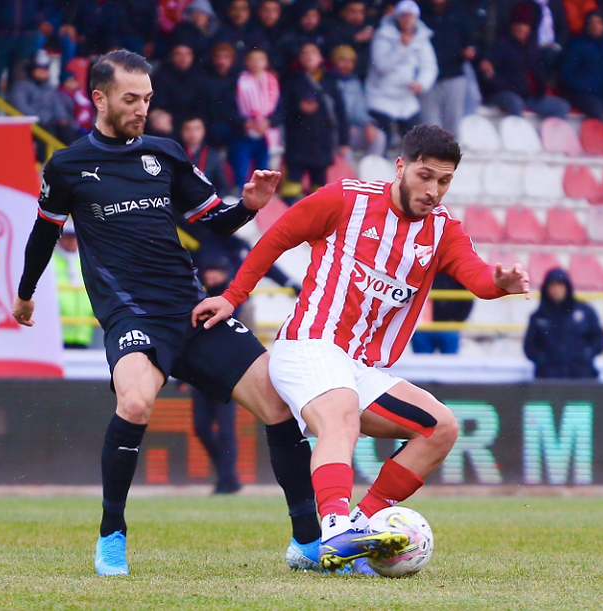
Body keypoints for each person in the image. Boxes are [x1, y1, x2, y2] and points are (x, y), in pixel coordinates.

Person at [11, 50, 323, 576]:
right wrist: (25, 293)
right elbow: (45, 232)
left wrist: (249, 204)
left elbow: (217, 223)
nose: (142, 109)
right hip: (133, 316)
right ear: (100, 99)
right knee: (134, 403)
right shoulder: (66, 165)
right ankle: (112, 535)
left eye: (148, 99)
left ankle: (308, 543)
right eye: (131, 99)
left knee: (278, 404)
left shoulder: (166, 154)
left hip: (192, 308)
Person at [192, 124, 530, 572]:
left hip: (357, 366)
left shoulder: (442, 230)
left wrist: (500, 284)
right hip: (307, 344)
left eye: (444, 181)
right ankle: (334, 528)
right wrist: (233, 297)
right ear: (401, 166)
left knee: (442, 427)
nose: (434, 190)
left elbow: (477, 276)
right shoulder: (346, 199)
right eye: (425, 176)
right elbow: (277, 237)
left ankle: (359, 524)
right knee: (341, 413)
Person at [191, 257, 242, 495]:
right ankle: (225, 473)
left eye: (216, 272)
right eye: (208, 271)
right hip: (201, 372)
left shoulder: (236, 301)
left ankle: (228, 478)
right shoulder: (197, 297)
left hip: (225, 373)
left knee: (225, 429)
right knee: (200, 426)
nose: (211, 276)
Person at [280, 43, 349, 204]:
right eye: (305, 53)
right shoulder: (291, 81)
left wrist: (344, 141)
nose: (309, 56)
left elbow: (340, 112)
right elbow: (282, 110)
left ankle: (316, 222)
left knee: (319, 187)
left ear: (320, 58)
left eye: (313, 53)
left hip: (321, 141)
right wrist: (299, 108)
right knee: (291, 186)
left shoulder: (330, 81)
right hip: (297, 140)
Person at [365, 0, 438, 150]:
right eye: (403, 16)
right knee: (384, 139)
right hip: (381, 96)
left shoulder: (422, 38)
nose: (407, 19)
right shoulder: (383, 35)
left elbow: (429, 66)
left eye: (411, 16)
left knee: (416, 140)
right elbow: (381, 66)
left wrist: (421, 83)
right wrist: (402, 47)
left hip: (406, 97)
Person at [479, 9, 571, 119]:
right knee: (515, 103)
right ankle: (517, 135)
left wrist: (540, 89)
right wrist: (490, 74)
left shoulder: (532, 47)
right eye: (518, 24)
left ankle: (545, 135)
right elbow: (487, 69)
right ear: (512, 25)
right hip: (504, 93)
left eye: (525, 24)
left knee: (561, 106)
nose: (521, 28)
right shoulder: (501, 44)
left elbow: (538, 72)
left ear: (529, 27)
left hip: (527, 96)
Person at [523, 268, 603, 378]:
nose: (556, 289)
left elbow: (599, 339)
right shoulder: (538, 317)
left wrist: (587, 354)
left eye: (560, 285)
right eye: (552, 285)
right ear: (546, 288)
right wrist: (543, 361)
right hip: (549, 378)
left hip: (582, 375)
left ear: (567, 287)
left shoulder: (585, 312)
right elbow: (530, 347)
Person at [419, 0, 478, 137]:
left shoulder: (459, 12)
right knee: (429, 127)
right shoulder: (421, 12)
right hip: (428, 78)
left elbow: (471, 44)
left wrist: (471, 51)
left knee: (452, 125)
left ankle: (450, 157)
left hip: (454, 74)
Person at [9, 54, 79, 159]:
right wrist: (45, 118)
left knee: (69, 129)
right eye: (39, 68)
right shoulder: (21, 86)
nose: (43, 71)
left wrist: (62, 118)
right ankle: (44, 162)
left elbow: (58, 105)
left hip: (51, 122)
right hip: (34, 124)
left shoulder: (49, 87)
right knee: (48, 131)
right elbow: (21, 107)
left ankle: (74, 161)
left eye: (45, 68)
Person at [560, 10, 603, 119]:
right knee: (596, 109)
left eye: (599, 22)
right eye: (591, 22)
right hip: (582, 93)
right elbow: (566, 73)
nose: (595, 26)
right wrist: (584, 86)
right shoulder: (576, 44)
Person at [232, 48, 280, 188]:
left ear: (266, 62)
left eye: (260, 59)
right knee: (242, 169)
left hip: (267, 132)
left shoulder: (272, 81)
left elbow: (280, 108)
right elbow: (229, 106)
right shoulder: (239, 80)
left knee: (265, 170)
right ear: (246, 62)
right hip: (244, 131)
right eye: (252, 59)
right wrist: (245, 122)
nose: (256, 63)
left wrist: (269, 122)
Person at [331, 45, 386, 159]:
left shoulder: (354, 82)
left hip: (351, 129)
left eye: (351, 61)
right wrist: (343, 127)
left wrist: (368, 124)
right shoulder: (328, 81)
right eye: (343, 60)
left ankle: (369, 172)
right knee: (346, 153)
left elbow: (359, 110)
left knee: (379, 137)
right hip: (333, 131)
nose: (347, 65)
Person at [52, 220, 94, 349]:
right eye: (67, 236)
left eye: (73, 237)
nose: (70, 241)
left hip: (83, 334)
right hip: (56, 334)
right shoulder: (51, 261)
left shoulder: (86, 261)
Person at [150, 44, 207, 135]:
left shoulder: (200, 77)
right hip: (171, 121)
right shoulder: (161, 76)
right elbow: (157, 104)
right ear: (172, 56)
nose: (183, 58)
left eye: (187, 54)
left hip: (194, 121)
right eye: (178, 54)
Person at [411, 275, 473, 354]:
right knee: (423, 362)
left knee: (448, 362)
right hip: (423, 326)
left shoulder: (452, 272)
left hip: (446, 326)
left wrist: (457, 320)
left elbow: (467, 299)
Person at [324, 0, 375, 80]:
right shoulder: (334, 29)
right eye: (353, 11)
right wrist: (354, 39)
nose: (357, 15)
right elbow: (333, 51)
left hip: (366, 77)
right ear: (343, 12)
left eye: (361, 12)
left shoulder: (368, 29)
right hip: (339, 77)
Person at [181, 116, 229, 197]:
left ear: (204, 131)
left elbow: (223, 185)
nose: (192, 133)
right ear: (182, 132)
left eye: (197, 128)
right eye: (188, 129)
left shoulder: (214, 156)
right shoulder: (176, 153)